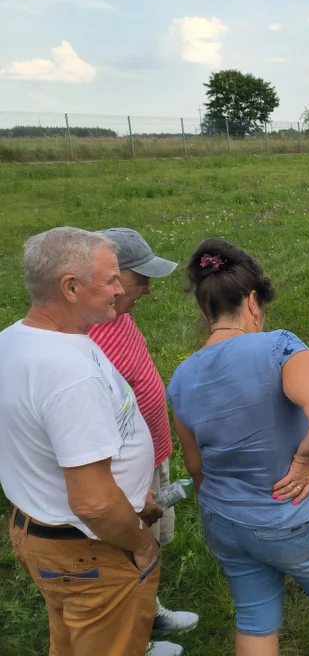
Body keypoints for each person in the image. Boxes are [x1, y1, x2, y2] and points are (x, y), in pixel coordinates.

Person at [167, 238, 309, 656]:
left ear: (206, 311)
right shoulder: (278, 346)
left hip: (226, 522)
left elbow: (195, 466)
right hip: (297, 518)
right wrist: (304, 458)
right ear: (254, 302)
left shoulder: (181, 378)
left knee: (255, 623)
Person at [0, 227, 170, 656]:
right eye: (111, 279)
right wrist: (140, 540)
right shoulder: (69, 373)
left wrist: (133, 498)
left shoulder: (14, 340)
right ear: (70, 287)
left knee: (74, 643)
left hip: (44, 534)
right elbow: (93, 503)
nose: (120, 289)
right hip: (89, 547)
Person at [87, 228, 199, 642]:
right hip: (122, 474)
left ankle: (148, 611)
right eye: (141, 279)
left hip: (153, 451)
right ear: (109, 279)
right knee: (125, 551)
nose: (149, 291)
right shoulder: (85, 339)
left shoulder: (118, 316)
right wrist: (129, 490)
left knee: (149, 544)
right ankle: (135, 640)